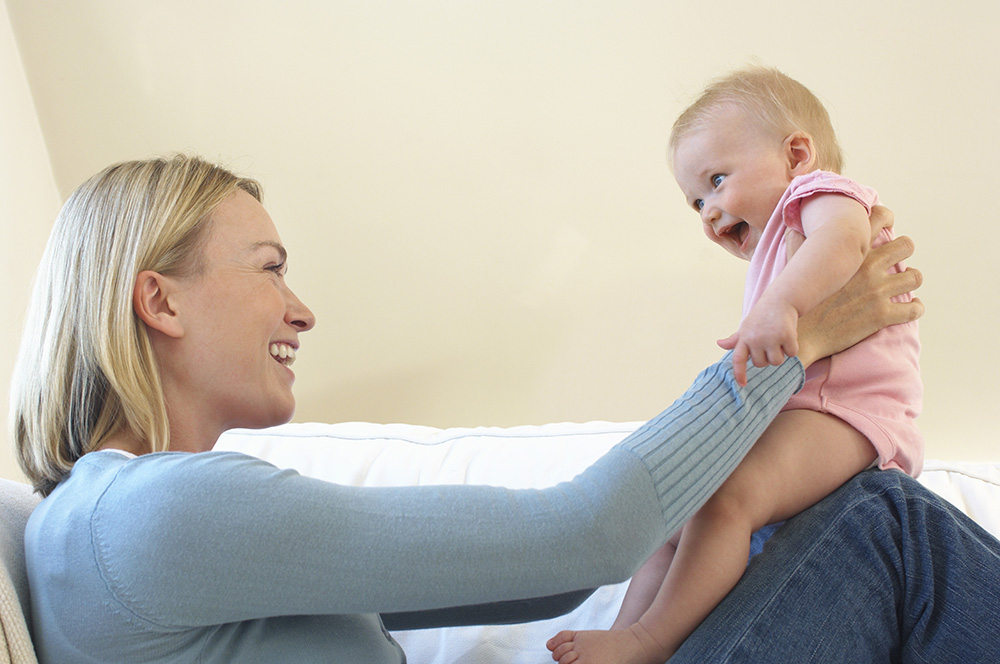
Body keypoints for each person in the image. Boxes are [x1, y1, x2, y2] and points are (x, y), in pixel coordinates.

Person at [7, 154, 984, 664]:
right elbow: (583, 535)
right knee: (884, 529)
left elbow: (542, 576)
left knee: (822, 522)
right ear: (159, 300)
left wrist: (714, 495)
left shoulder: (98, 525)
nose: (300, 309)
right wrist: (792, 345)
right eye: (269, 271)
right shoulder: (155, 514)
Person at [547, 66, 923, 663]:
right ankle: (624, 632)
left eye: (717, 180)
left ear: (797, 154)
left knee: (730, 499)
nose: (707, 211)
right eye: (696, 200)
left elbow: (844, 243)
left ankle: (649, 641)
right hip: (810, 410)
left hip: (854, 414)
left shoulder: (823, 194)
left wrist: (781, 304)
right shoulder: (781, 241)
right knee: (674, 515)